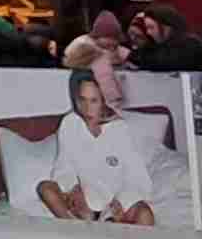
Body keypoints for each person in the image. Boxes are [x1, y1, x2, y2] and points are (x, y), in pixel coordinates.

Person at [33, 61, 158, 225]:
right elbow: (63, 167)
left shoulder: (121, 129)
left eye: (94, 101)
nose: (87, 109)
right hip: (83, 204)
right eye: (81, 100)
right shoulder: (70, 123)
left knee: (145, 214)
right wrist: (73, 189)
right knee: (45, 188)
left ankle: (107, 226)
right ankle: (76, 230)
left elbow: (137, 177)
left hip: (113, 205)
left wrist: (121, 202)